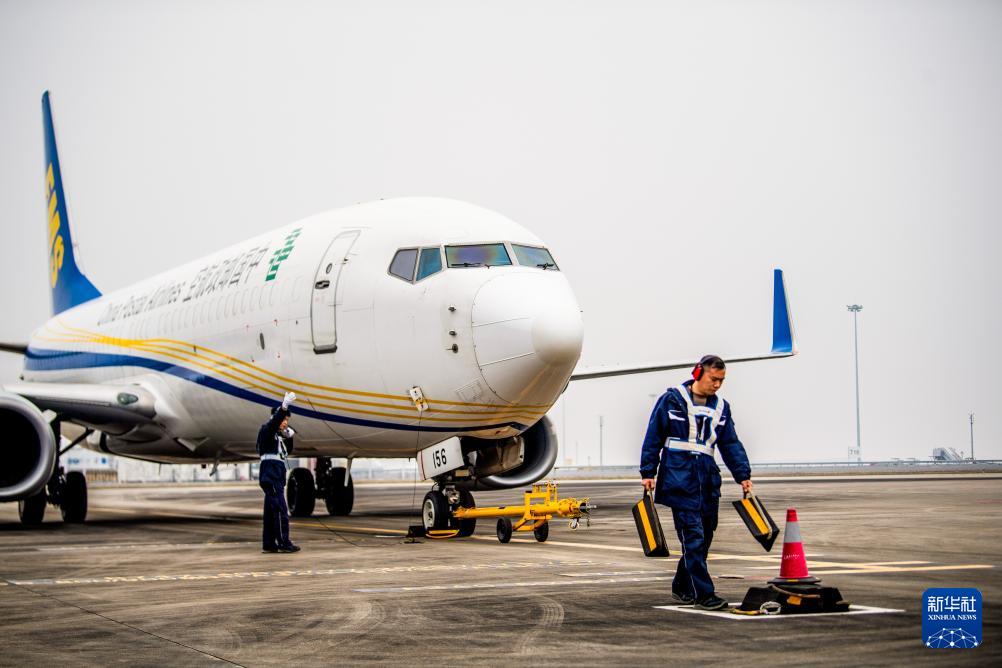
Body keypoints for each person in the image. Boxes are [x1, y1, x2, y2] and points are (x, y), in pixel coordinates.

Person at [640, 355, 753, 610]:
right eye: (714, 379)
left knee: (705, 537)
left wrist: (743, 475)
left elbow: (730, 444)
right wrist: (648, 471)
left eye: (721, 380)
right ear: (698, 373)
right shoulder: (671, 400)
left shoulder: (722, 407)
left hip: (707, 480)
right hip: (679, 478)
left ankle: (681, 587)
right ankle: (704, 594)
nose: (717, 385)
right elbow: (653, 435)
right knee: (693, 537)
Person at [258, 391, 301, 553]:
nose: (285, 423)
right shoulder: (267, 431)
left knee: (270, 512)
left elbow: (286, 452)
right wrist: (284, 406)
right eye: (283, 420)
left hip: (275, 477)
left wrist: (289, 437)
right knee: (281, 510)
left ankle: (269, 543)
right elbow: (274, 423)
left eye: (287, 420)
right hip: (271, 476)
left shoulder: (277, 436)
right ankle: (284, 542)